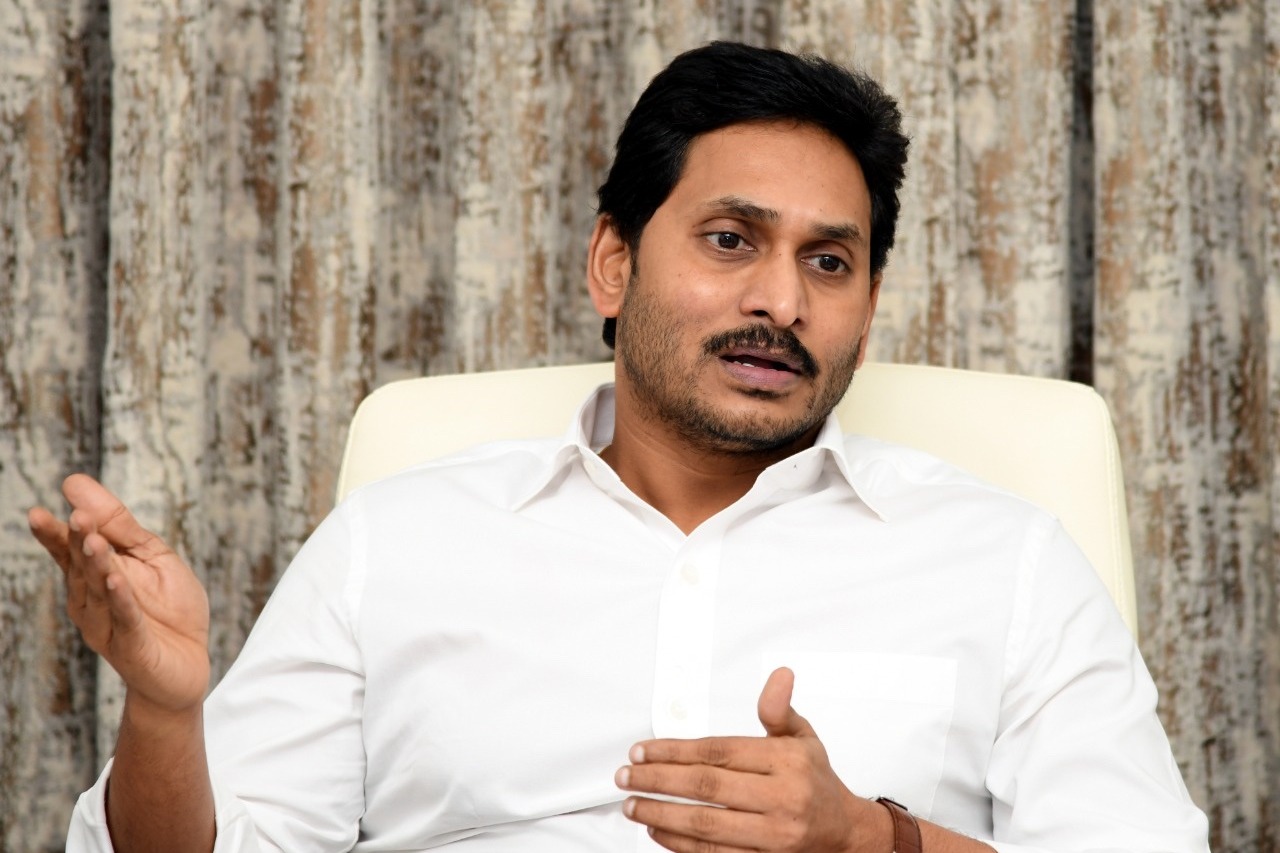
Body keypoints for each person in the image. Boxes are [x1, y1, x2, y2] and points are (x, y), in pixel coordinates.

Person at [29, 41, 1209, 853]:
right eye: (730, 239)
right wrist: (165, 717)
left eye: (827, 261)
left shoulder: (1003, 560)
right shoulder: (398, 539)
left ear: (864, 306)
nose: (781, 301)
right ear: (612, 262)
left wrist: (868, 838)